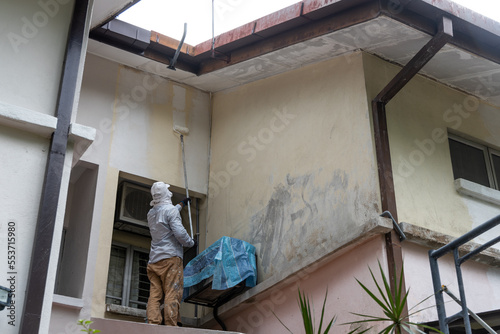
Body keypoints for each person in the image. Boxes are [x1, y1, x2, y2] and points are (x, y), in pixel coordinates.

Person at [146, 181, 195, 326]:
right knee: (172, 293)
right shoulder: (170, 211)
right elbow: (179, 233)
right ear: (167, 194)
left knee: (155, 295)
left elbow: (165, 213)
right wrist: (191, 243)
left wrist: (181, 205)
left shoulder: (151, 213)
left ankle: (153, 323)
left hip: (154, 261)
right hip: (171, 259)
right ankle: (170, 326)